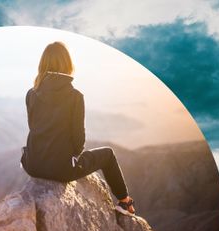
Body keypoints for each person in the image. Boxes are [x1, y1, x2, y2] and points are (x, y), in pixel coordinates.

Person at [20, 41, 135, 216]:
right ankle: (125, 202)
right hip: (61, 169)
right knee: (108, 155)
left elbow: (34, 127)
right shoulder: (75, 96)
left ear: (42, 64)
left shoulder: (31, 93)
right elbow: (78, 141)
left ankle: (125, 202)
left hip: (32, 164)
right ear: (68, 64)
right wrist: (71, 158)